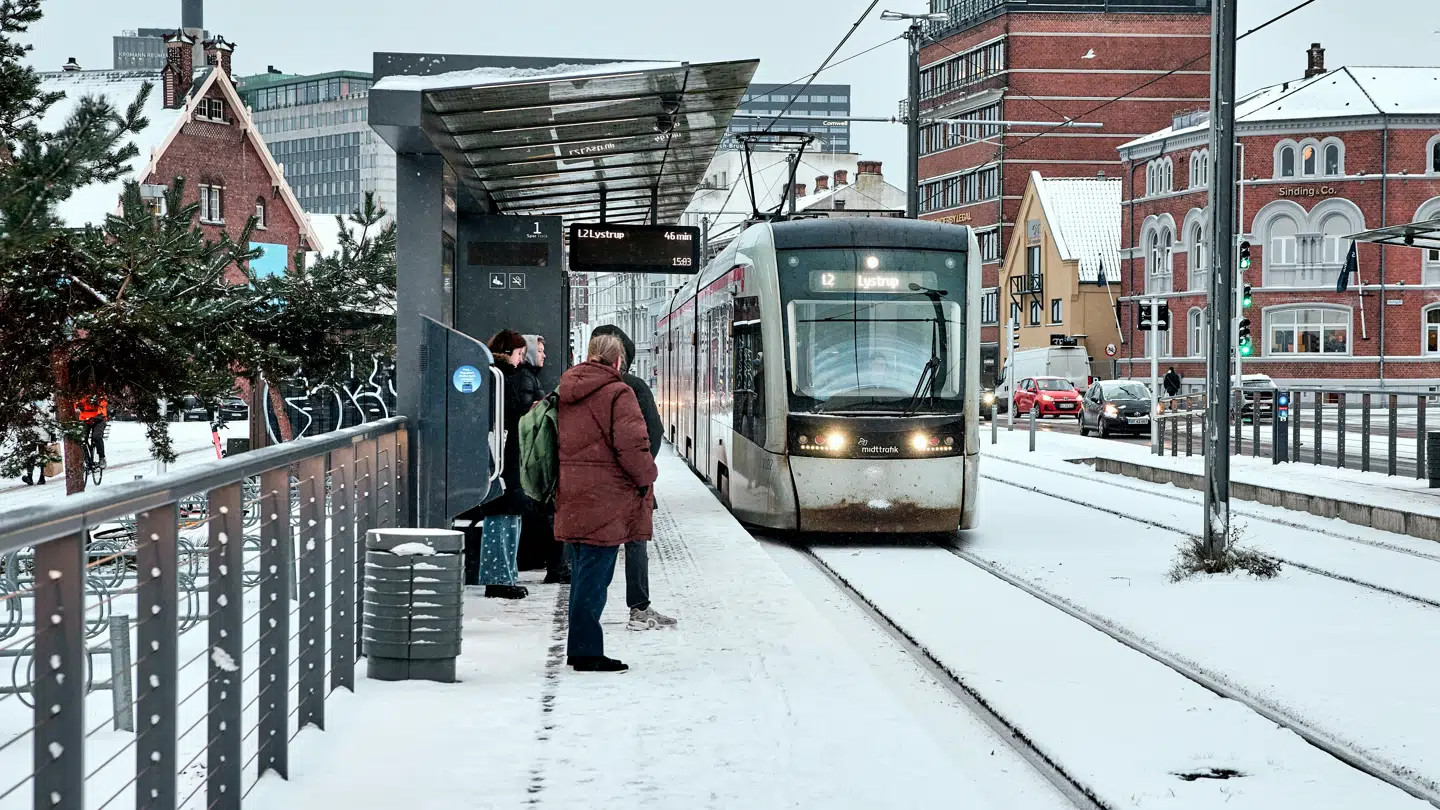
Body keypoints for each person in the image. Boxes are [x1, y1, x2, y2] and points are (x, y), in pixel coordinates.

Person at [556, 334, 657, 673]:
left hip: (574, 492)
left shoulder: (566, 390)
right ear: (617, 362)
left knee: (584, 573)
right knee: (595, 579)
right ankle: (586, 653)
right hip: (606, 499)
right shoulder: (619, 392)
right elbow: (632, 447)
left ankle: (579, 646)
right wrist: (647, 476)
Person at [590, 325, 675, 631]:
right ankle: (638, 607)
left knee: (592, 546)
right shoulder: (634, 387)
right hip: (628, 482)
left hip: (591, 482)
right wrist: (640, 470)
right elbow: (654, 432)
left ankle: (586, 613)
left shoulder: (574, 384)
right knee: (635, 541)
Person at [474, 330, 530, 599]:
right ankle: (499, 578)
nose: (522, 360)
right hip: (504, 456)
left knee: (506, 513)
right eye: (520, 354)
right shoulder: (503, 379)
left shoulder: (492, 376)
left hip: (500, 455)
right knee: (504, 514)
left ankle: (504, 575)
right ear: (508, 352)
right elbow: (514, 413)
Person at [516, 334, 569, 584]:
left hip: (530, 453)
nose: (544, 355)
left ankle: (556, 567)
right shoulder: (526, 378)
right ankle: (556, 568)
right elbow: (525, 415)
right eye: (539, 350)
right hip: (533, 453)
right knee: (550, 511)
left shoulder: (527, 377)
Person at [75, 394, 109, 466]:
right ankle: (86, 460)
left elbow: (103, 403)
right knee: (82, 439)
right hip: (85, 419)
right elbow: (75, 404)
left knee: (96, 437)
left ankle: (102, 458)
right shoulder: (79, 390)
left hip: (99, 419)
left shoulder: (98, 391)